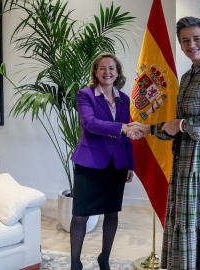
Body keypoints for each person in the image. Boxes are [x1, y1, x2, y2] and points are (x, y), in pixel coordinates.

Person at [130, 16, 200, 269]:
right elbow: (176, 125)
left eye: (197, 39)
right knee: (185, 220)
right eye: (185, 40)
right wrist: (147, 128)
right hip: (184, 160)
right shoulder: (188, 76)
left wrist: (183, 125)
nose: (192, 45)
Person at [69, 53, 141, 270]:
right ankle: (75, 263)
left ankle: (104, 259)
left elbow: (127, 136)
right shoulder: (85, 95)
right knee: (80, 215)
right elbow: (90, 123)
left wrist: (130, 163)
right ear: (95, 72)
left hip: (116, 164)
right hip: (89, 163)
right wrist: (121, 127)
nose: (107, 72)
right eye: (102, 68)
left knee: (111, 212)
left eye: (111, 68)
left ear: (117, 72)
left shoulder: (125, 99)